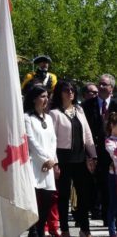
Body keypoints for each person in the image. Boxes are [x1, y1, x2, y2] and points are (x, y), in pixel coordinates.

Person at [49, 80, 97, 237]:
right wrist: (55, 162)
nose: (70, 92)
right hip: (63, 159)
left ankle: (85, 229)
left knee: (84, 195)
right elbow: (51, 141)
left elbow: (88, 134)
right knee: (63, 197)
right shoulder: (54, 113)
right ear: (59, 93)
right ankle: (64, 229)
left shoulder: (79, 110)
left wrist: (93, 155)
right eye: (66, 90)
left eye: (72, 90)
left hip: (80, 158)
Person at [82, 74, 117, 226]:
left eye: (104, 85)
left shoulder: (116, 104)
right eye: (100, 84)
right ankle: (104, 217)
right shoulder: (87, 106)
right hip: (95, 153)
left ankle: (112, 218)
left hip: (114, 153)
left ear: (112, 88)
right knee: (99, 186)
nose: (101, 87)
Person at [24, 85, 58, 237]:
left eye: (47, 96)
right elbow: (31, 141)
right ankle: (33, 230)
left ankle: (40, 229)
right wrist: (45, 159)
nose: (46, 99)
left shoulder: (49, 118)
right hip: (34, 163)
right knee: (34, 199)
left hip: (48, 165)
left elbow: (53, 141)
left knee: (47, 199)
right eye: (42, 96)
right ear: (34, 99)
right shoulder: (27, 118)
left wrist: (52, 160)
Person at [105, 112, 117, 237]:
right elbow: (114, 154)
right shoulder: (109, 140)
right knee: (113, 204)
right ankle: (112, 232)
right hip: (114, 175)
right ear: (112, 125)